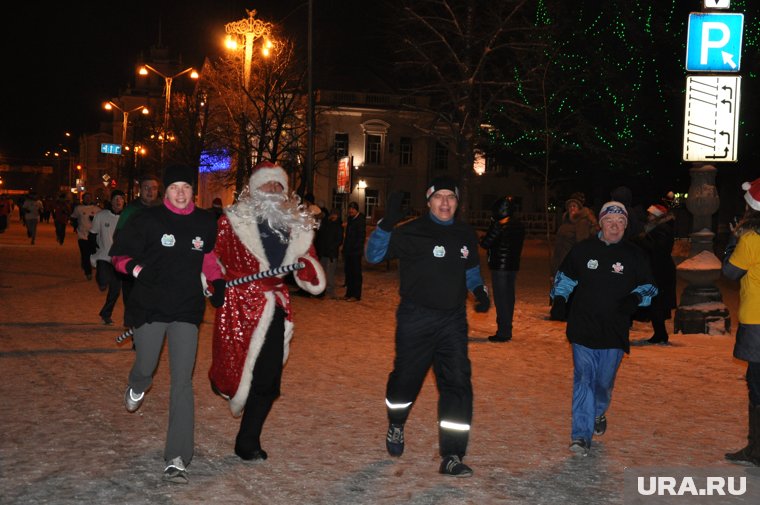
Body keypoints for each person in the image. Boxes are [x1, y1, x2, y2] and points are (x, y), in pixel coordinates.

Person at [365, 177, 491, 477]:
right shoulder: (411, 231)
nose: (445, 203)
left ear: (457, 203)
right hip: (415, 318)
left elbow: (470, 268)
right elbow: (373, 256)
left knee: (458, 384)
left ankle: (452, 455)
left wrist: (480, 291)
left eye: (451, 197)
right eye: (439, 197)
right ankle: (396, 422)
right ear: (429, 201)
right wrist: (387, 224)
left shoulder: (465, 233)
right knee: (405, 381)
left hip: (452, 320)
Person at [109, 165, 223, 483]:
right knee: (146, 365)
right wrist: (139, 272)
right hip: (150, 307)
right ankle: (137, 384)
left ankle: (177, 456)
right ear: (165, 191)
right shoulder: (148, 220)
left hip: (187, 309)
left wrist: (217, 282)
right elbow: (118, 256)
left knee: (182, 382)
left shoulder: (204, 221)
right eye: (175, 187)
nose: (181, 192)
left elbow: (209, 257)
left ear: (192, 191)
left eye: (186, 187)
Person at [208, 161, 325, 462]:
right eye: (267, 184)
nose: (273, 190)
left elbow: (307, 263)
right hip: (238, 305)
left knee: (269, 378)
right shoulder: (231, 221)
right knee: (233, 369)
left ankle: (247, 441)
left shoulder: (297, 225)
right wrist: (214, 282)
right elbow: (213, 258)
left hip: (274, 305)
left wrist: (309, 271)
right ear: (254, 188)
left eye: (278, 185)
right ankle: (222, 383)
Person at [550, 201, 657, 456]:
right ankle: (580, 435)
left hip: (614, 330)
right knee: (583, 380)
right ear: (601, 223)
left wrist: (635, 298)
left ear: (626, 226)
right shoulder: (583, 250)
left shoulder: (634, 254)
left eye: (620, 222)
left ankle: (597, 412)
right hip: (583, 327)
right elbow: (564, 278)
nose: (615, 226)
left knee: (603, 383)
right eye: (610, 221)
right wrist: (560, 300)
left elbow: (650, 288)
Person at [723, 177, 760, 467]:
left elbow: (731, 273)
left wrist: (731, 241)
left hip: (757, 321)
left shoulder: (751, 239)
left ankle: (756, 450)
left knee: (757, 383)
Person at [115, 174, 161, 323]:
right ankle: (136, 332)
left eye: (153, 188)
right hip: (133, 263)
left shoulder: (163, 209)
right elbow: (118, 236)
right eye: (146, 188)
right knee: (133, 300)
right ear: (140, 189)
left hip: (155, 264)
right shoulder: (131, 210)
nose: (150, 191)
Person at [479, 195, 525, 342]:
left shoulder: (499, 225)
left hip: (500, 267)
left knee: (501, 299)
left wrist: (487, 232)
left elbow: (486, 243)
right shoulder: (518, 225)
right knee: (509, 298)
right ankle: (506, 329)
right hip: (512, 267)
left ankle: (503, 332)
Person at [549, 192, 597, 320]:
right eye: (570, 206)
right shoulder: (565, 221)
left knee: (568, 288)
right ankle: (559, 311)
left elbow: (582, 243)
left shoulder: (581, 222)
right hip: (560, 258)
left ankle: (566, 313)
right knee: (558, 286)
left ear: (579, 209)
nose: (571, 209)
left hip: (571, 261)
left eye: (574, 206)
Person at [637, 204, 677, 344]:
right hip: (658, 269)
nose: (648, 216)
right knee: (656, 303)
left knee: (657, 303)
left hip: (661, 271)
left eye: (651, 214)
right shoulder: (657, 228)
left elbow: (658, 249)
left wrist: (642, 241)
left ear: (657, 215)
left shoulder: (662, 229)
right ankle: (660, 334)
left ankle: (661, 334)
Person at [88, 190, 126, 325]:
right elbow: (92, 235)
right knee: (103, 280)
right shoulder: (101, 215)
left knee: (115, 291)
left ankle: (106, 314)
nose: (118, 201)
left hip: (119, 259)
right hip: (104, 255)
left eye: (121, 199)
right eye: (116, 198)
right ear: (111, 201)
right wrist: (92, 251)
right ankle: (101, 280)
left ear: (124, 201)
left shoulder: (127, 218)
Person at [70, 192, 101, 280]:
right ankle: (88, 272)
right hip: (82, 235)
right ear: (82, 199)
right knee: (85, 254)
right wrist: (75, 225)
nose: (88, 199)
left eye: (89, 197)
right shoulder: (78, 208)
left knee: (93, 254)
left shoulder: (97, 209)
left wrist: (94, 219)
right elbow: (73, 218)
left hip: (94, 236)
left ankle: (89, 265)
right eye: (86, 197)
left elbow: (102, 219)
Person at [315, 207, 344, 299]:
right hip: (324, 252)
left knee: (330, 273)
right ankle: (322, 290)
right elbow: (322, 236)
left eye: (335, 214)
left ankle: (330, 290)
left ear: (337, 216)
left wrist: (332, 248)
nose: (333, 216)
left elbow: (339, 240)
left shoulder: (339, 226)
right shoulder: (327, 224)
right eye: (332, 214)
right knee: (322, 272)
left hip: (332, 253)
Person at [342, 201, 366, 301]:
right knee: (349, 273)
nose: (350, 211)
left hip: (355, 252)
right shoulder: (350, 219)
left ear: (356, 210)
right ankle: (349, 293)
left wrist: (355, 248)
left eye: (353, 209)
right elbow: (347, 236)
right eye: (350, 208)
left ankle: (356, 295)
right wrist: (345, 249)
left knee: (356, 273)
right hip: (349, 251)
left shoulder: (360, 220)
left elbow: (361, 237)